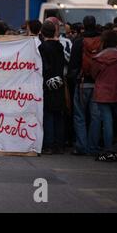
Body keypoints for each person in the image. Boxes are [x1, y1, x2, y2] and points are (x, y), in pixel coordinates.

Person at [68, 16, 102, 155]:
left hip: (82, 83)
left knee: (79, 116)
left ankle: (81, 146)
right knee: (96, 117)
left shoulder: (79, 41)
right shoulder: (101, 40)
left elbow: (73, 64)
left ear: (84, 25)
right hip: (99, 83)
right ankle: (93, 147)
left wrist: (73, 79)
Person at [39, 22, 66, 155]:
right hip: (59, 82)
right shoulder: (59, 46)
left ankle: (49, 144)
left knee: (48, 114)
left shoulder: (42, 47)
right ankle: (59, 144)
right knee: (58, 114)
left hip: (47, 83)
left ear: (43, 33)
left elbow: (43, 66)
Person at [91, 30, 117, 160]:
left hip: (103, 92)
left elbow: (93, 74)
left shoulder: (99, 57)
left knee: (107, 121)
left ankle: (108, 150)